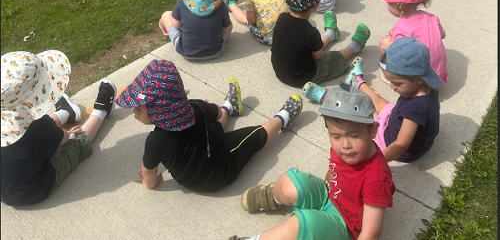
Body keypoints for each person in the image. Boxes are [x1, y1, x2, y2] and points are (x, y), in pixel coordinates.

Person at [229, 83, 395, 240]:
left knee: (305, 223)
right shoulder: (349, 150)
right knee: (291, 181)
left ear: (372, 130)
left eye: (354, 135)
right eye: (336, 136)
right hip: (330, 196)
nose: (345, 145)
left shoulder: (376, 178)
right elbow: (335, 172)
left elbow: (371, 234)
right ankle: (275, 197)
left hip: (346, 226)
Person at [116, 59, 303, 193]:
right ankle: (281, 118)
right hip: (218, 172)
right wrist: (220, 110)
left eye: (138, 109)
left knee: (213, 130)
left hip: (198, 178)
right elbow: (217, 114)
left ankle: (241, 108)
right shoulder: (195, 108)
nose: (134, 113)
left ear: (159, 111)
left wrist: (153, 181)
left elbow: (149, 177)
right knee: (254, 134)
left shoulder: (155, 142)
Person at [1, 50, 116, 206]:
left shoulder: (31, 124)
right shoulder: (40, 128)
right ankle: (101, 110)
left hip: (5, 189)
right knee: (77, 143)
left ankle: (65, 113)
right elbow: (64, 139)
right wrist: (68, 134)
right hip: (33, 190)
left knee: (35, 129)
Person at [345, 37, 441, 163]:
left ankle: (326, 99)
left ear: (418, 79)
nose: (392, 86)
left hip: (390, 142)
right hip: (397, 121)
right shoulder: (427, 88)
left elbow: (400, 145)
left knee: (351, 124)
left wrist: (376, 163)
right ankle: (357, 83)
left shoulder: (414, 110)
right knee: (379, 101)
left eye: (397, 83)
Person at [271, 0, 370, 88]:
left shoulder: (282, 18)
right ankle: (355, 46)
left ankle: (331, 34)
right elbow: (318, 56)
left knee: (310, 44)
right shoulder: (310, 31)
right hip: (303, 77)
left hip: (281, 72)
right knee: (332, 58)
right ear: (316, 6)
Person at [379, 0, 448, 84]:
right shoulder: (432, 18)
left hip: (417, 81)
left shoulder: (401, 28)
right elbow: (442, 35)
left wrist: (393, 34)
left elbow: (399, 54)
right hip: (436, 76)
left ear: (399, 5)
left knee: (384, 43)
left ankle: (390, 75)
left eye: (388, 3)